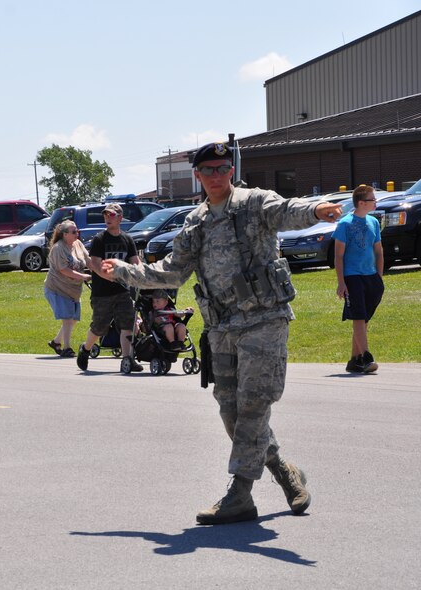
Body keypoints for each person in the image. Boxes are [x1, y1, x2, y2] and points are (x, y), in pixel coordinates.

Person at [98, 141, 344, 525]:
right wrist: (124, 271)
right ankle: (283, 471)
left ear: (231, 171)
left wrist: (316, 209)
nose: (216, 176)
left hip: (264, 318)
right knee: (231, 410)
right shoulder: (195, 222)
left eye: (222, 168)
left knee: (253, 405)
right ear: (197, 176)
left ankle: (240, 494)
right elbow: (173, 271)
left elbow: (286, 210)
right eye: (208, 170)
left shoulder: (253, 202)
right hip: (223, 327)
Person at [76, 203, 143, 373]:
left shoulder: (127, 239)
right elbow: (95, 264)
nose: (107, 218)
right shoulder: (100, 239)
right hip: (102, 293)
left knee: (127, 323)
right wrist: (110, 277)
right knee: (100, 326)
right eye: (106, 215)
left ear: (120, 218)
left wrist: (142, 274)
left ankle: (128, 359)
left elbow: (135, 262)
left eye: (111, 215)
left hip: (123, 292)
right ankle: (85, 349)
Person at [334, 184, 384, 374]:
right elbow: (338, 256)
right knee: (359, 316)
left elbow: (378, 251)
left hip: (371, 277)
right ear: (362, 203)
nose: (376, 202)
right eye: (373, 199)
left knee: (364, 319)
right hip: (352, 276)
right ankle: (365, 357)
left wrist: (378, 277)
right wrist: (341, 282)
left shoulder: (374, 222)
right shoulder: (345, 224)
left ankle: (354, 361)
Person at [44, 220, 91, 357]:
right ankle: (67, 348)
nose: (77, 233)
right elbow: (64, 270)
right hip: (57, 288)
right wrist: (83, 276)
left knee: (74, 319)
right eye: (74, 232)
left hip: (74, 290)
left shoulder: (78, 244)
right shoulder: (58, 248)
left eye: (77, 231)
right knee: (68, 318)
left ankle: (56, 342)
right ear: (64, 234)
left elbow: (88, 260)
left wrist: (101, 270)